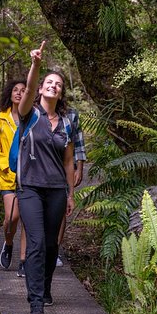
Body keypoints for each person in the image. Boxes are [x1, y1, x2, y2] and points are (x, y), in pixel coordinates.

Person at [11, 41, 75, 314]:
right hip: (29, 189)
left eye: (58, 84)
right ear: (39, 88)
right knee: (36, 242)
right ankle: (35, 303)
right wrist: (36, 65)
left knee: (51, 245)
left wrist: (71, 194)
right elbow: (28, 89)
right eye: (49, 82)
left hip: (57, 191)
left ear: (61, 93)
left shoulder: (67, 123)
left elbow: (69, 162)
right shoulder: (28, 114)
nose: (53, 86)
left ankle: (45, 289)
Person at [0, 80, 28, 276]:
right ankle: (8, 242)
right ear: (10, 94)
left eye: (23, 90)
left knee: (27, 219)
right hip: (8, 176)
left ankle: (23, 261)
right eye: (15, 90)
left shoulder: (34, 117)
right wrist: (6, 165)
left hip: (30, 175)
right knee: (12, 217)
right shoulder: (0, 119)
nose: (19, 93)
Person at [56, 107, 86, 266]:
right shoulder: (35, 111)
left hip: (65, 168)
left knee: (60, 210)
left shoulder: (71, 114)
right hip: (43, 169)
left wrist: (79, 168)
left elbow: (78, 141)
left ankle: (54, 251)